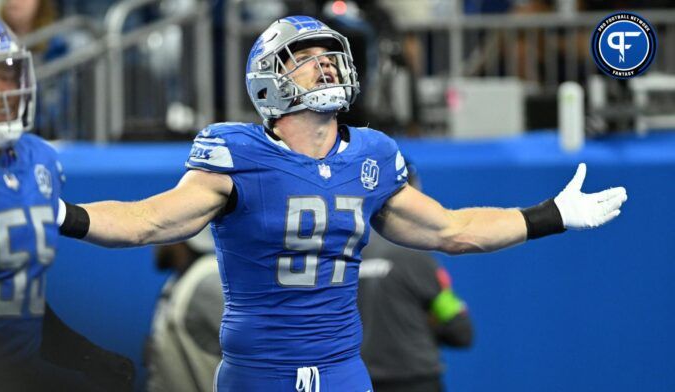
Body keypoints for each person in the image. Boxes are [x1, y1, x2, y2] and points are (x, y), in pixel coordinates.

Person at [57, 15, 627, 392]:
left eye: (329, 56)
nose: (324, 64)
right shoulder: (236, 151)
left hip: (343, 370)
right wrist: (64, 215)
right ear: (270, 79)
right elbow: (147, 220)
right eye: (305, 57)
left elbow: (453, 230)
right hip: (260, 374)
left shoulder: (372, 154)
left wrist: (549, 215)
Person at [0, 11, 132, 391]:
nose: (3, 90)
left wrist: (82, 354)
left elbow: (13, 297)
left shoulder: (35, 161)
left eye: (8, 74)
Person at [358, 163, 473, 392]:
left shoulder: (347, 255)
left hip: (360, 382)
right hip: (416, 381)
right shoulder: (416, 258)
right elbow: (460, 332)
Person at [146, 225, 224, 392]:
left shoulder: (208, 282)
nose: (154, 242)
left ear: (180, 235)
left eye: (160, 230)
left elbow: (264, 353)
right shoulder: (181, 280)